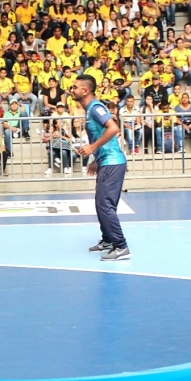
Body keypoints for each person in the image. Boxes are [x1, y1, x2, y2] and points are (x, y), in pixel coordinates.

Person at [73, 75, 130, 261]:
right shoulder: (89, 110)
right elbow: (102, 135)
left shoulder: (96, 108)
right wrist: (96, 160)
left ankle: (121, 246)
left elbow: (113, 128)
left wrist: (92, 147)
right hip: (105, 161)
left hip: (112, 162)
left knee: (105, 205)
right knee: (101, 204)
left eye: (75, 87)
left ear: (85, 90)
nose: (72, 90)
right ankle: (107, 240)